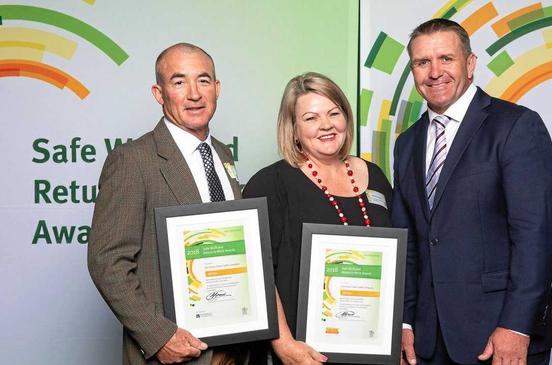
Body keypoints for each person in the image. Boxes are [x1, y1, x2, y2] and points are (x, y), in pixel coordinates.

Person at [392, 19, 552, 365]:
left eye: (446, 59)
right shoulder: (407, 144)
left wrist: (516, 326)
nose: (435, 72)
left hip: (498, 334)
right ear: (413, 71)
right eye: (423, 62)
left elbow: (536, 237)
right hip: (428, 338)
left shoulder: (516, 126)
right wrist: (405, 321)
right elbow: (406, 242)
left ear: (470, 64)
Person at [88, 43, 246, 365]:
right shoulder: (133, 160)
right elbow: (107, 261)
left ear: (217, 89)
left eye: (203, 81)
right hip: (175, 351)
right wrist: (158, 337)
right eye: (178, 82)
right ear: (159, 94)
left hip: (234, 347)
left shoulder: (223, 155)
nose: (194, 94)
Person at [243, 72, 393, 364]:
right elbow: (256, 273)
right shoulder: (269, 184)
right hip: (303, 352)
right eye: (311, 118)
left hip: (371, 347)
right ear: (293, 128)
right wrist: (284, 344)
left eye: (334, 113)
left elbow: (398, 260)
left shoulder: (374, 175)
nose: (326, 125)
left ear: (346, 118)